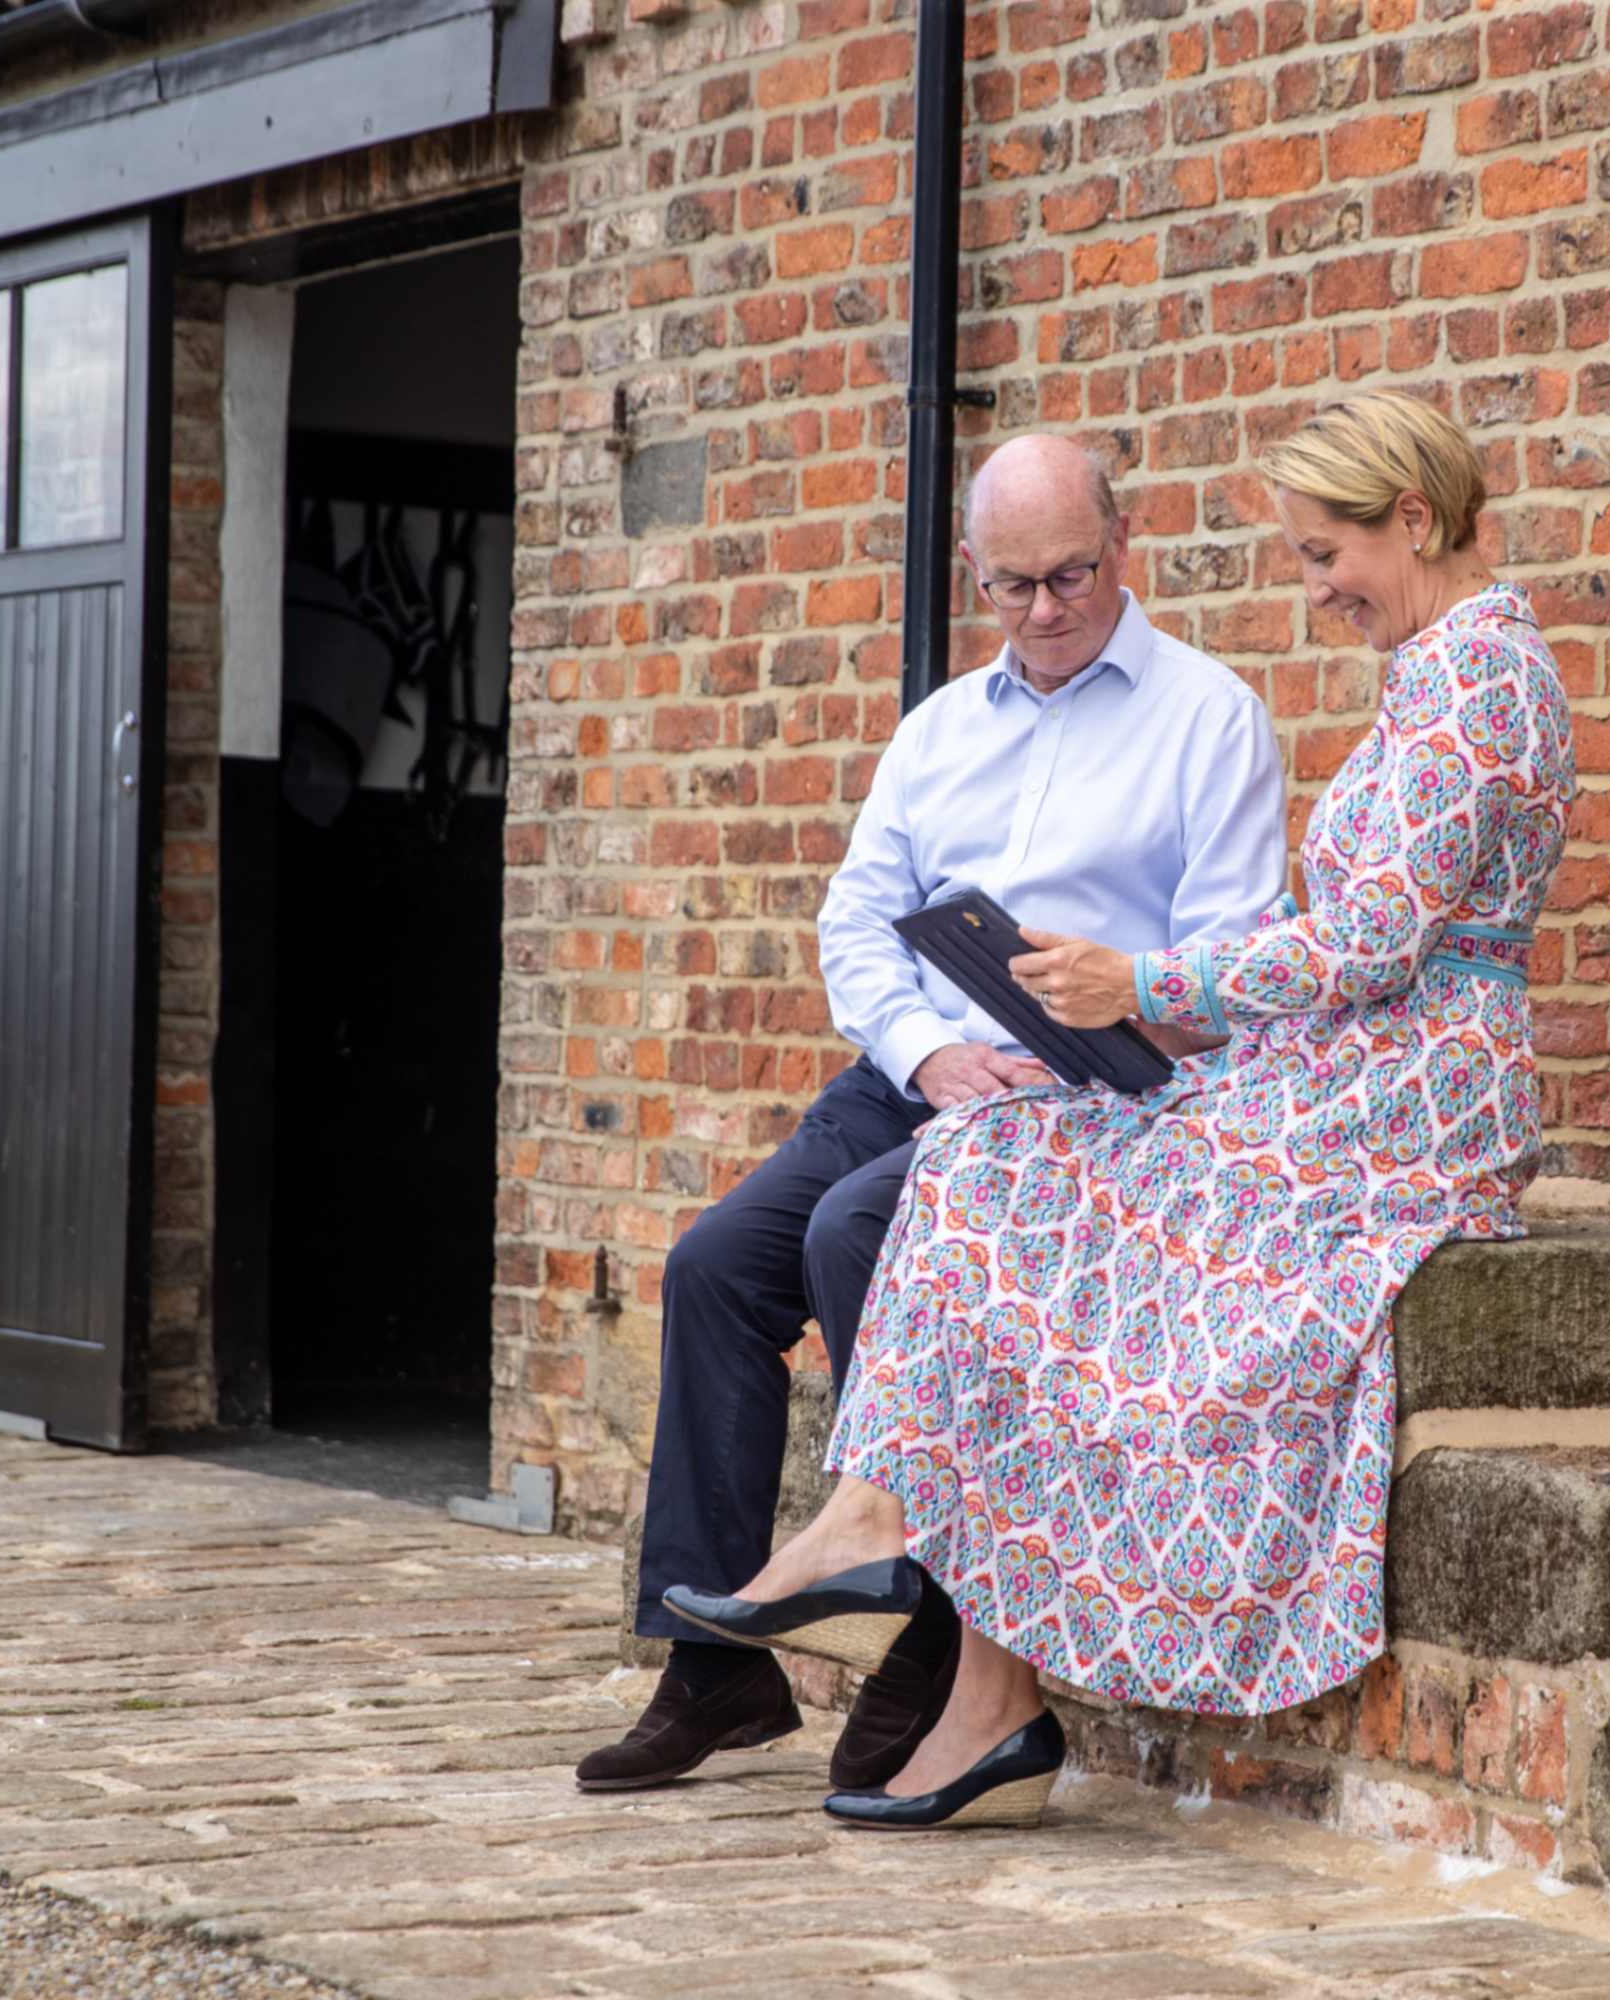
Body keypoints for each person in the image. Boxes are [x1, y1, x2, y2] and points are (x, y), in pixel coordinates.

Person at [663, 390, 1576, 1830]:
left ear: (1415, 519)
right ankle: (909, 1578)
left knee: (1017, 1172)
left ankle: (948, 1628)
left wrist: (1130, 979)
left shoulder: (1471, 678)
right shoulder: (1439, 668)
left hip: (1409, 1087)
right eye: (1301, 556)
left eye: (1323, 551)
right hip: (1348, 1061)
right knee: (985, 1157)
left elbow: (1361, 948)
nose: (1315, 584)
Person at [575, 435, 1285, 1796]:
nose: (1044, 609)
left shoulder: (1208, 717)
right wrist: (923, 1052)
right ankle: (711, 1665)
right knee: (712, 1269)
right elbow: (855, 923)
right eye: (1011, 584)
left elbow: (1234, 960)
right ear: (974, 575)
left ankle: (945, 1624)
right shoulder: (939, 729)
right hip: (919, 1076)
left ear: (1122, 545)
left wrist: (1105, 1006)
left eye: (1070, 574)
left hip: (1084, 1099)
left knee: (856, 1233)